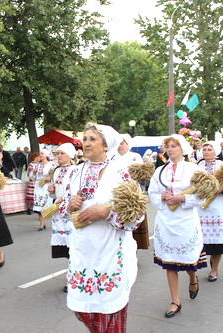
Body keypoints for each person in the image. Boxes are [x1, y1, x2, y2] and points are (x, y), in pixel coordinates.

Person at [58, 124, 143, 332]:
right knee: (82, 309)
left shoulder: (120, 174)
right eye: (85, 139)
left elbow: (136, 216)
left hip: (110, 251)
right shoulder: (75, 172)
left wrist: (105, 213)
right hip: (82, 252)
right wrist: (70, 205)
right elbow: (62, 209)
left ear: (106, 146)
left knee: (108, 310)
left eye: (92, 139)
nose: (86, 143)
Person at [148, 134, 206, 318]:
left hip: (186, 219)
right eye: (168, 146)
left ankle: (193, 278)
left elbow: (203, 194)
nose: (170, 149)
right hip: (166, 219)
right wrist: (162, 198)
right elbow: (152, 191)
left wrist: (182, 198)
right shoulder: (160, 171)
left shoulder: (193, 169)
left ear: (182, 148)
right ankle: (175, 300)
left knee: (188, 258)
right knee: (169, 261)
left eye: (174, 146)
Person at [196, 141, 223, 281]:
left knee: (217, 243)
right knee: (200, 240)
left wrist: (222, 189)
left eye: (209, 149)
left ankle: (214, 270)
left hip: (218, 207)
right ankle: (195, 268)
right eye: (204, 149)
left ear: (215, 151)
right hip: (200, 207)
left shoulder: (222, 166)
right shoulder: (197, 166)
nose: (206, 152)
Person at [47, 143, 77, 292]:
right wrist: (51, 192)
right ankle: (74, 274)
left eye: (62, 153)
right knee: (65, 247)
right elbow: (55, 192)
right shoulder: (56, 171)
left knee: (73, 245)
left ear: (70, 155)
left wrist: (63, 199)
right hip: (58, 211)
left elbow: (75, 189)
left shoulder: (75, 170)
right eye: (57, 153)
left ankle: (73, 278)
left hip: (70, 211)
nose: (59, 156)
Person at [31, 149, 55, 231]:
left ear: (46, 155)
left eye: (42, 153)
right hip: (38, 187)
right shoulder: (37, 165)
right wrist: (33, 173)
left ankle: (53, 222)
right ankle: (42, 224)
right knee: (39, 207)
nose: (40, 155)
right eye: (40, 153)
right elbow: (32, 178)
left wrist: (50, 178)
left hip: (46, 188)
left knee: (45, 206)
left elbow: (55, 176)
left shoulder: (51, 165)